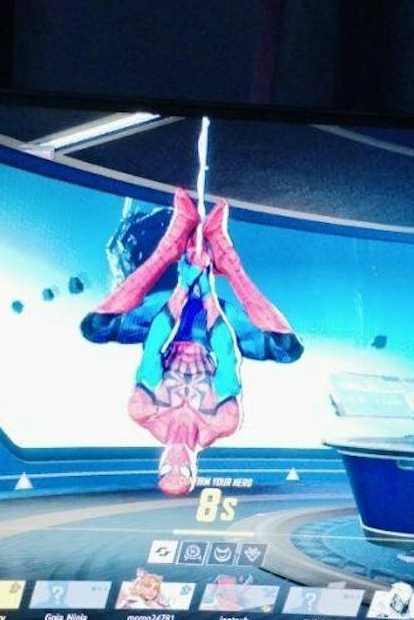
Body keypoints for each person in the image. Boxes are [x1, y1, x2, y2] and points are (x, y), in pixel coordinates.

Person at [81, 189, 302, 496]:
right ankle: (226, 258)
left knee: (95, 327)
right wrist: (206, 285)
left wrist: (184, 286)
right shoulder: (222, 421)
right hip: (213, 325)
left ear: (159, 466)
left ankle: (168, 249)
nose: (176, 464)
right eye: (183, 473)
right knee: (287, 349)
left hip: (167, 318)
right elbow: (228, 353)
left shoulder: (144, 410)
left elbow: (154, 345)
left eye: (167, 471)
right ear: (195, 471)